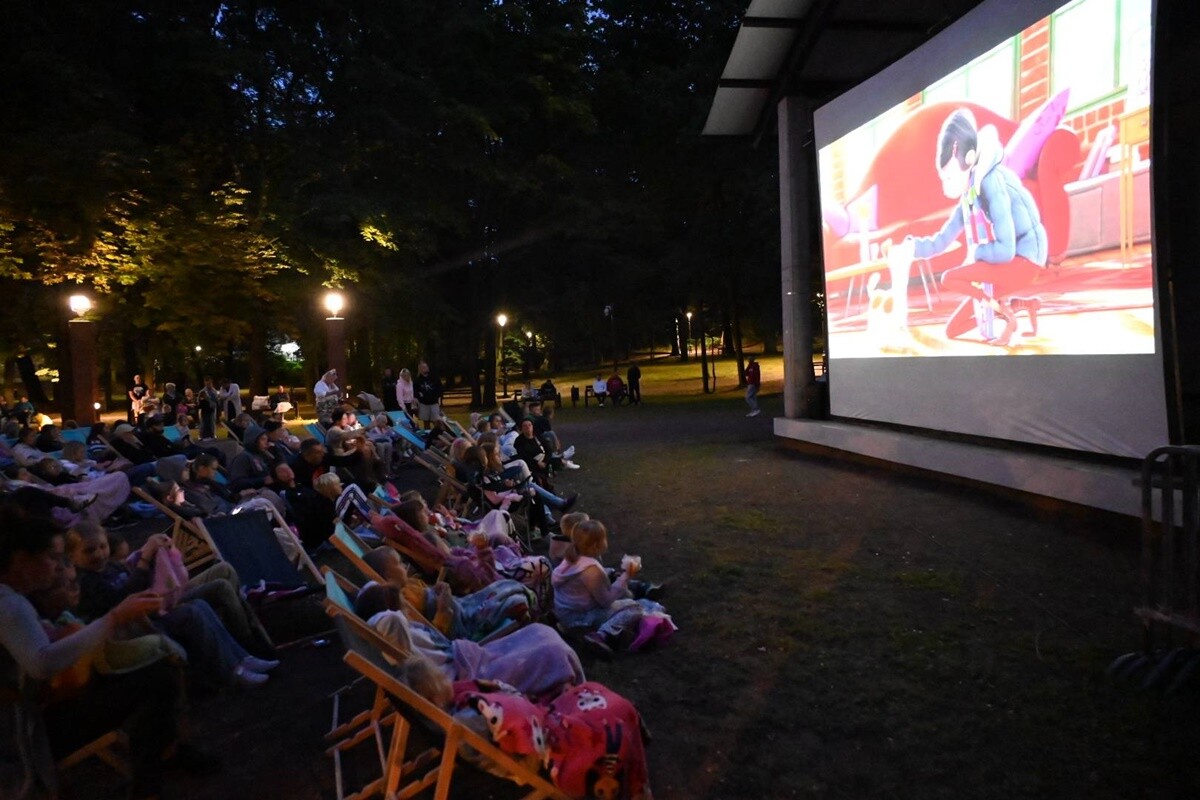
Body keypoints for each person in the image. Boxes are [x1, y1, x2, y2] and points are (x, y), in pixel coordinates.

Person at [0, 506, 203, 799]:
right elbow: (42, 663)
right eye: (53, 558)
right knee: (156, 678)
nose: (59, 567)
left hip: (42, 709)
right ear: (21, 560)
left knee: (157, 672)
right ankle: (150, 780)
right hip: (24, 735)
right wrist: (114, 618)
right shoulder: (8, 604)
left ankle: (165, 756)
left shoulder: (14, 598)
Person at [906, 107, 1048, 346]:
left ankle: (1005, 315)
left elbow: (1005, 250)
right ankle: (1022, 306)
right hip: (1007, 264)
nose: (946, 187)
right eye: (943, 179)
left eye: (950, 177)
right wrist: (910, 248)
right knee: (953, 329)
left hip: (1026, 259)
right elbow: (941, 240)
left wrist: (976, 256)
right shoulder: (968, 197)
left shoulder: (991, 181)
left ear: (970, 159)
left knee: (949, 278)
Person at [354, 582, 584, 700]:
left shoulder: (402, 635)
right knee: (551, 650)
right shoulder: (392, 631)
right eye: (402, 604)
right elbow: (388, 621)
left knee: (537, 632)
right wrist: (384, 609)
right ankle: (572, 690)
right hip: (462, 676)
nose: (407, 608)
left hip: (465, 658)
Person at [551, 519, 672, 658]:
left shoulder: (571, 556)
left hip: (565, 612)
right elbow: (605, 601)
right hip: (579, 618)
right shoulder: (590, 570)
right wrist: (627, 575)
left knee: (617, 582)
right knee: (634, 608)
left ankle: (643, 590)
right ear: (597, 544)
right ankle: (601, 635)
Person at [413, 361, 443, 429]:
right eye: (423, 367)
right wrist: (421, 397)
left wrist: (437, 397)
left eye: (426, 367)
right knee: (426, 422)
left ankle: (438, 434)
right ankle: (428, 435)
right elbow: (416, 392)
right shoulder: (417, 380)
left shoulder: (434, 377)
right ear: (420, 369)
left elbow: (440, 388)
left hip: (434, 403)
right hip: (423, 404)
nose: (426, 368)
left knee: (437, 421)